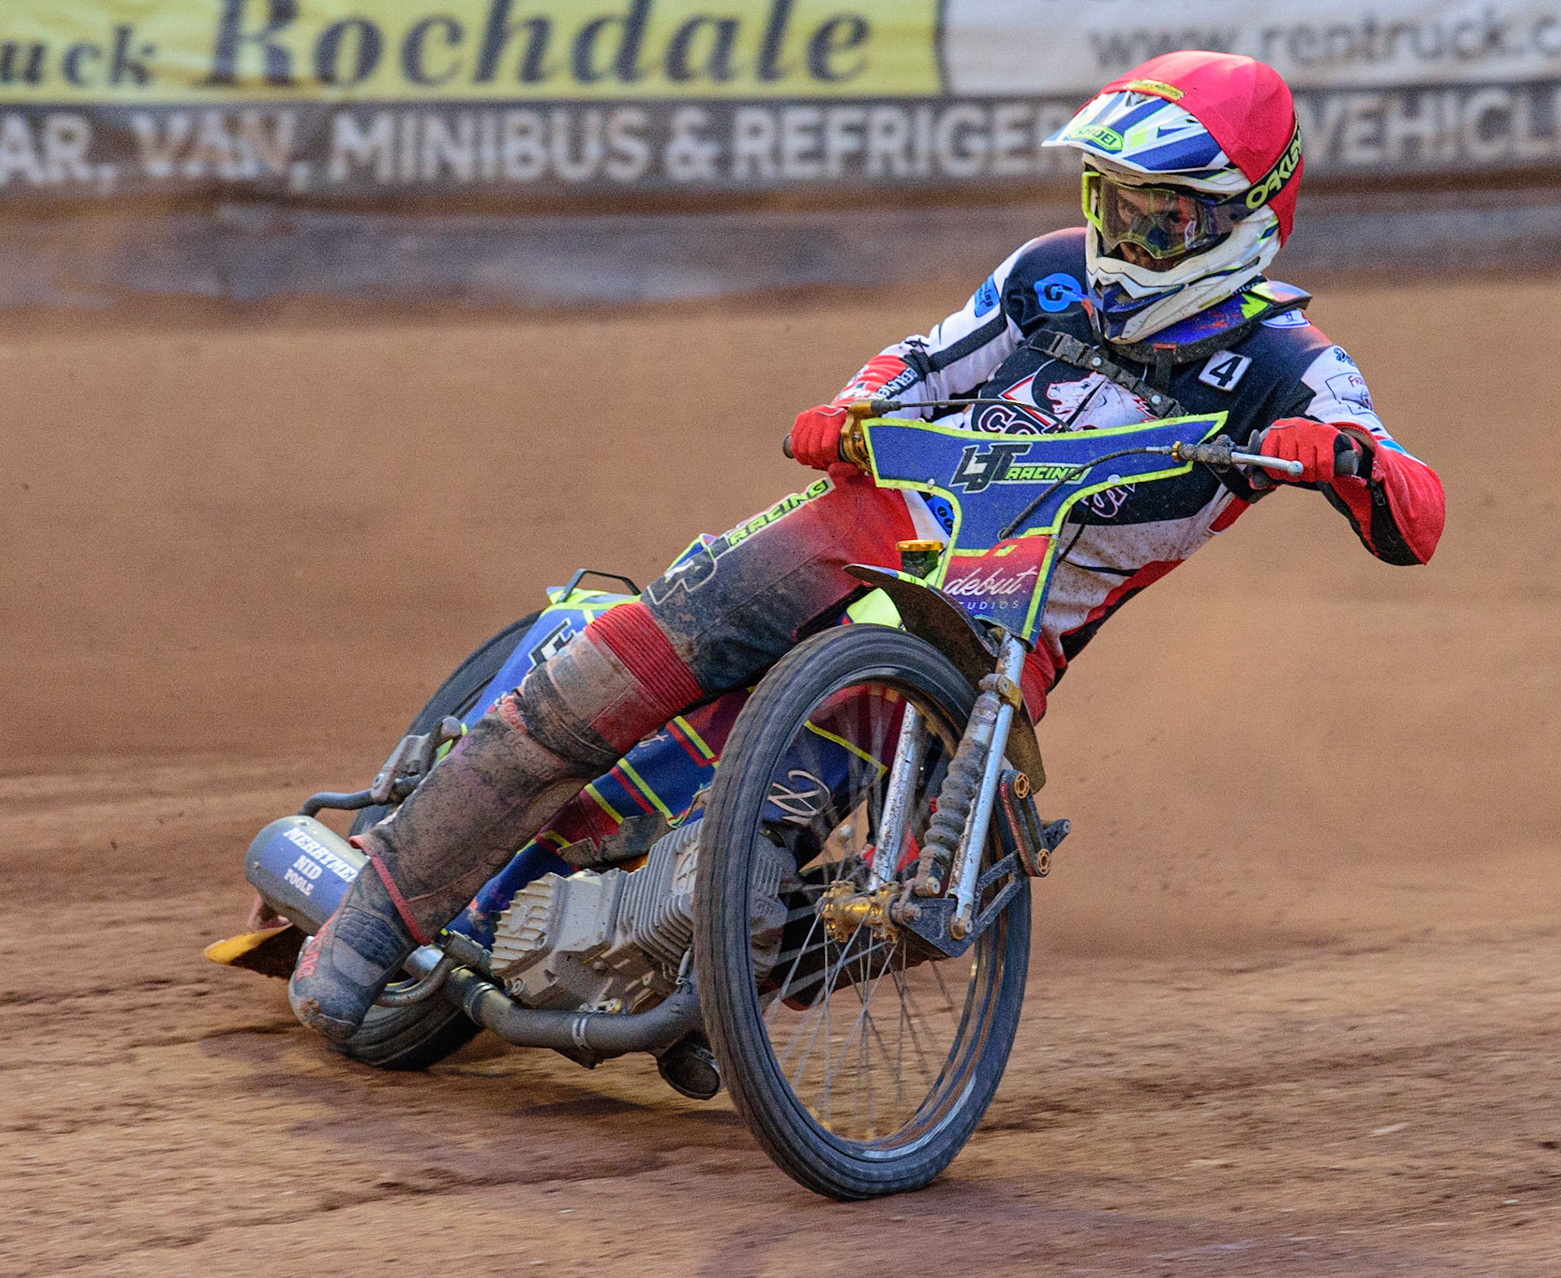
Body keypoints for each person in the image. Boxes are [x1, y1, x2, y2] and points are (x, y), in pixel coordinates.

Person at [286, 50, 1446, 1041]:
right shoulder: (1048, 275)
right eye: (1112, 201)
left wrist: (1347, 463)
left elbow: (1417, 513)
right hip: (862, 526)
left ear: (1248, 214)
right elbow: (921, 362)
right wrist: (848, 410)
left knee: (758, 855)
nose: (1122, 233)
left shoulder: (1293, 365)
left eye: (1159, 215)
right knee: (600, 678)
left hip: (991, 634)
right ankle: (372, 918)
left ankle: (710, 972)